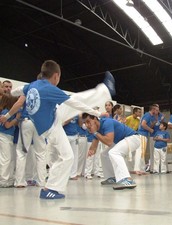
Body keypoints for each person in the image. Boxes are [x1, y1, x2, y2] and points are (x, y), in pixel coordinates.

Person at [0, 60, 115, 199]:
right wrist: (97, 113)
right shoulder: (49, 88)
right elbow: (76, 104)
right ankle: (49, 188)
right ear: (56, 76)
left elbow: (18, 91)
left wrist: (9, 96)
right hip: (52, 127)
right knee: (67, 155)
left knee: (66, 156)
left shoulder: (31, 85)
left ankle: (50, 188)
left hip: (53, 117)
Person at [82, 113, 140, 190]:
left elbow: (109, 142)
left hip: (133, 138)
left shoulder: (107, 122)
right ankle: (112, 177)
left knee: (114, 152)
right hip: (122, 140)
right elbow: (94, 146)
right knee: (104, 154)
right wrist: (91, 150)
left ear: (95, 119)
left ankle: (127, 179)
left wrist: (95, 133)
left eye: (88, 121)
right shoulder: (96, 129)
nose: (87, 125)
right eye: (84, 123)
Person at [0, 95, 20, 187]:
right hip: (4, 136)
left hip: (7, 137)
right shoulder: (6, 112)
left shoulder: (6, 111)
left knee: (9, 158)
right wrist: (16, 118)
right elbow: (7, 125)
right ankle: (3, 181)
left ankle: (8, 178)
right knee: (6, 159)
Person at [134, 104, 159, 174]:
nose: (157, 111)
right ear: (153, 109)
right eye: (156, 110)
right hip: (142, 135)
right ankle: (139, 169)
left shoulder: (150, 116)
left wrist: (153, 123)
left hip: (144, 135)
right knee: (141, 152)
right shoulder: (148, 115)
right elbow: (143, 124)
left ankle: (141, 168)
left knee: (142, 152)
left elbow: (147, 125)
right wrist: (150, 130)